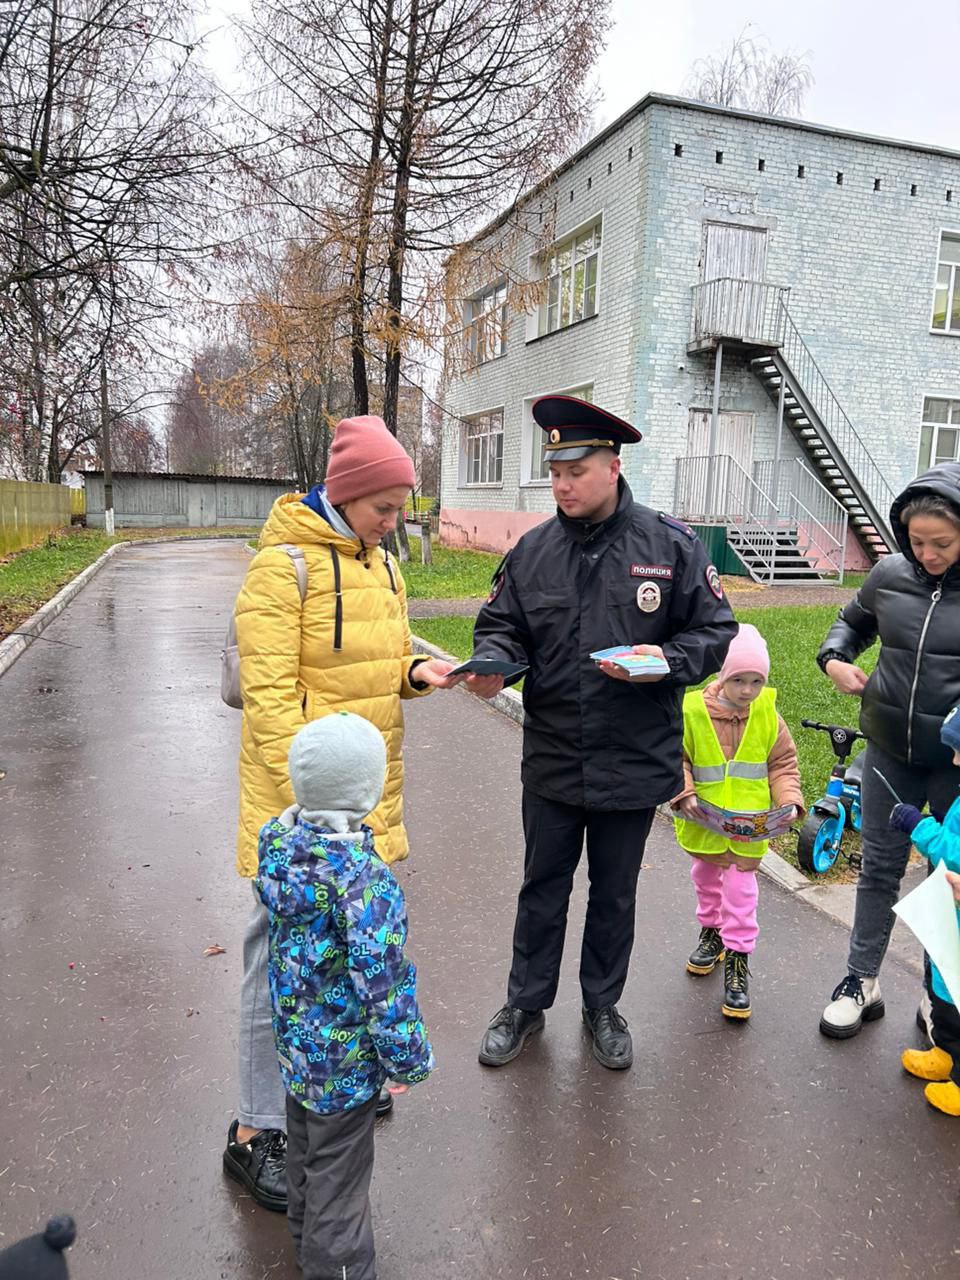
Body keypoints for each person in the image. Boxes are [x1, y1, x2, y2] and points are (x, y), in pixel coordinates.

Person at [225, 415, 455, 1211]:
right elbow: (269, 706)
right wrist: (314, 829)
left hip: (365, 805)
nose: (395, 523)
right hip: (297, 818)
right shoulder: (279, 570)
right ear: (347, 493)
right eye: (384, 508)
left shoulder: (381, 568)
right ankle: (256, 1130)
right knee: (276, 965)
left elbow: (382, 667)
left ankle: (342, 1072)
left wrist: (419, 674)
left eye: (400, 509)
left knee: (356, 943)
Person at [467, 395, 738, 1070]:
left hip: (633, 759)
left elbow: (715, 632)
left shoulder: (669, 548)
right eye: (554, 471)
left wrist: (667, 662)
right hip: (555, 758)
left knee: (615, 894)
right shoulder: (532, 553)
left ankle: (602, 1006)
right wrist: (495, 667)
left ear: (612, 467)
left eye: (575, 471)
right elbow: (500, 627)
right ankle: (525, 1005)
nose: (560, 484)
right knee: (542, 890)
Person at [256, 712, 433, 1277]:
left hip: (297, 1052)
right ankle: (336, 1268)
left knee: (308, 1162)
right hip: (345, 1064)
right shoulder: (362, 881)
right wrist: (408, 1058)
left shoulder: (281, 848)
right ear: (368, 790)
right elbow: (383, 985)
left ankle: (308, 1250)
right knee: (341, 1186)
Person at [817, 462, 960, 1039]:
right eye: (918, 541)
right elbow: (849, 623)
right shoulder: (889, 575)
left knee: (945, 879)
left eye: (943, 543)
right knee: (878, 866)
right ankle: (861, 981)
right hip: (888, 750)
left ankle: (941, 1002)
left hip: (953, 764)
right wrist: (833, 659)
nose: (927, 554)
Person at [671, 623, 804, 1020]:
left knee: (741, 895)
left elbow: (783, 764)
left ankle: (738, 961)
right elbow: (675, 757)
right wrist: (685, 791)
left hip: (751, 829)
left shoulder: (767, 715)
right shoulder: (692, 710)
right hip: (704, 823)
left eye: (756, 681)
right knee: (706, 882)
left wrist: (790, 802)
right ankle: (712, 934)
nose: (747, 690)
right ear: (721, 675)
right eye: (739, 680)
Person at [887, 704, 960, 1116]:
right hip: (951, 920)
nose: (953, 761)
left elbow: (956, 853)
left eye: (958, 752)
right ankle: (946, 1054)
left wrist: (920, 826)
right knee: (944, 994)